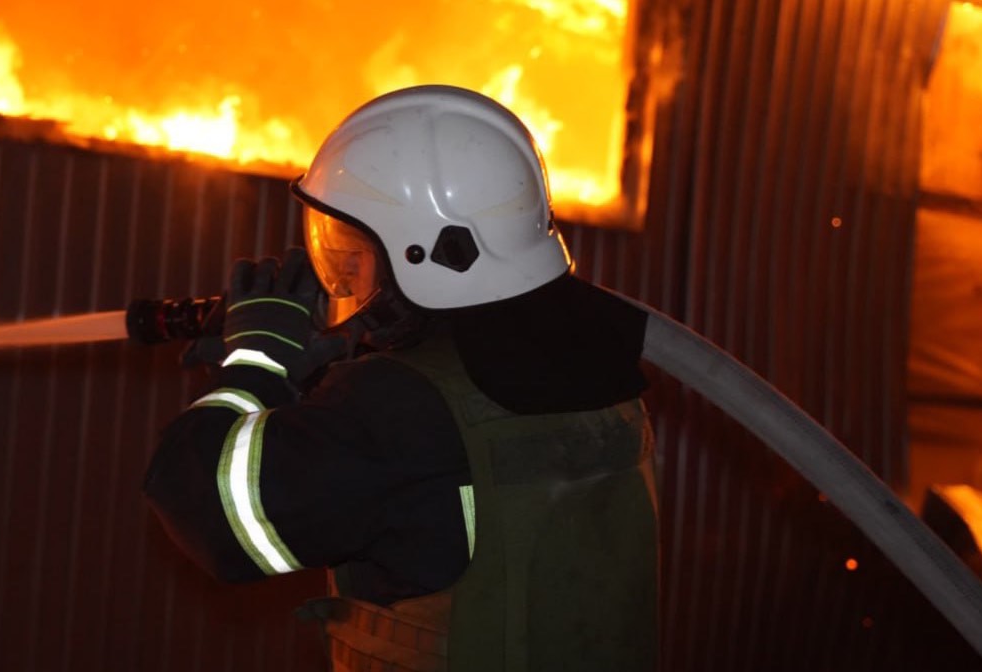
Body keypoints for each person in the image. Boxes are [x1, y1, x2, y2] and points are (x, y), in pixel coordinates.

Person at [143, 84, 657, 672]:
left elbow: (205, 509)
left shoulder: (396, 407)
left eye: (355, 251)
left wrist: (257, 362)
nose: (344, 276)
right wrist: (326, 384)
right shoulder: (599, 362)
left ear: (423, 252)